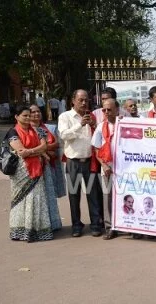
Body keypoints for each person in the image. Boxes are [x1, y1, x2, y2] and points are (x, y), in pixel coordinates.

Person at [58, 89, 104, 237]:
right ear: (73, 100)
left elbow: (100, 138)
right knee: (74, 195)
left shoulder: (92, 116)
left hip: (90, 161)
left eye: (86, 100)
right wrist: (79, 124)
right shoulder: (65, 116)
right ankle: (76, 226)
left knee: (93, 194)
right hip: (73, 162)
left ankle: (96, 224)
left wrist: (94, 126)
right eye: (80, 100)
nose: (84, 103)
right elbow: (64, 135)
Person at [6, 106, 53, 242]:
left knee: (37, 199)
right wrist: (36, 151)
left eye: (29, 115)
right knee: (20, 201)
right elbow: (20, 150)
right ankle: (20, 231)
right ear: (16, 117)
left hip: (37, 170)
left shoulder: (38, 130)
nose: (28, 118)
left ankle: (39, 231)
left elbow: (44, 146)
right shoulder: (13, 132)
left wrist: (30, 151)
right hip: (21, 173)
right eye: (24, 116)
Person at [29, 104, 62, 231]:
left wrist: (45, 149)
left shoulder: (50, 128)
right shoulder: (26, 130)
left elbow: (58, 143)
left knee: (50, 195)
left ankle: (53, 224)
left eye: (38, 111)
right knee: (37, 197)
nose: (36, 114)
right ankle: (39, 226)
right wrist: (45, 150)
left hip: (49, 167)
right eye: (33, 112)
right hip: (33, 168)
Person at [92, 98, 119, 240]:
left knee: (125, 196)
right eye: (104, 110)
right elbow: (97, 149)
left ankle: (129, 226)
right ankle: (110, 228)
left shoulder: (124, 124)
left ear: (117, 109)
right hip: (107, 168)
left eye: (109, 109)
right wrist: (103, 164)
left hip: (125, 169)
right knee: (107, 198)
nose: (106, 112)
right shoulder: (100, 127)